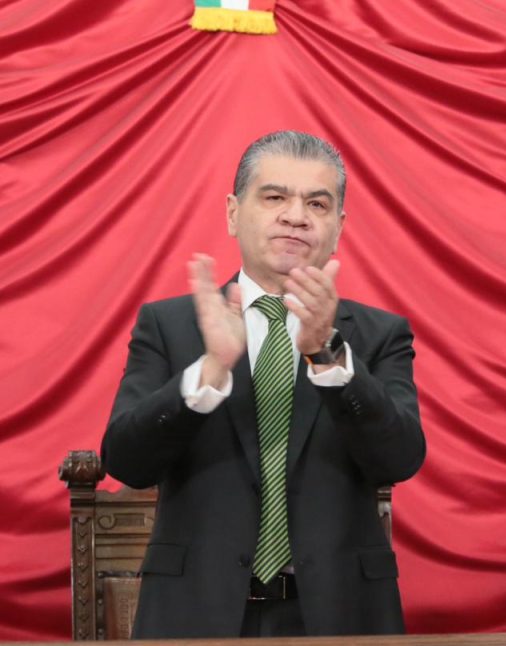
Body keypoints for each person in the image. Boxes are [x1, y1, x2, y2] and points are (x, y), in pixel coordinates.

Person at [102, 130, 425, 638]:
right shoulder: (169, 326)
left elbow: (399, 459)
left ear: (338, 227)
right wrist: (209, 373)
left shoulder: (378, 335)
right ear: (234, 213)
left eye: (317, 203)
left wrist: (328, 356)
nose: (296, 216)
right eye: (274, 197)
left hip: (342, 616)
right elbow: (126, 462)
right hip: (195, 615)